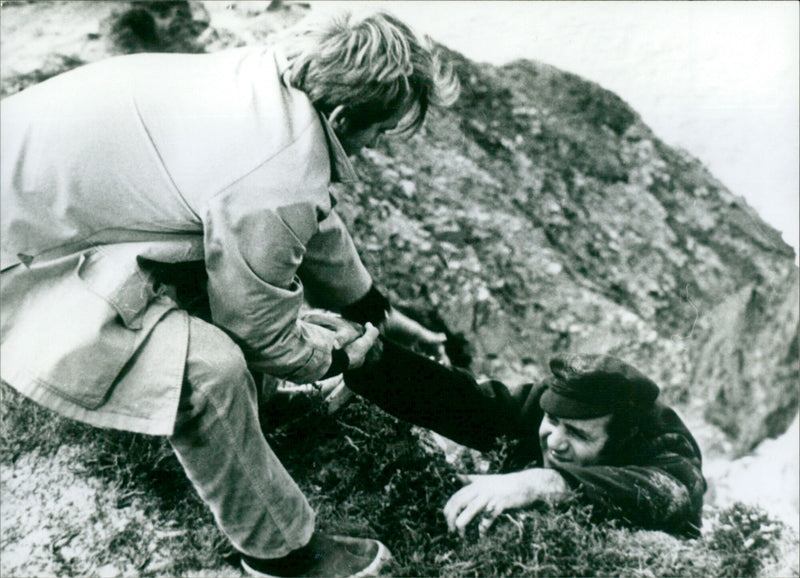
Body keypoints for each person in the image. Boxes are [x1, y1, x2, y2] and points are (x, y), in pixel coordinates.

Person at [1, 9, 458, 578]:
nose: (378, 144)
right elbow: (257, 327)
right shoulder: (273, 170)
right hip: (18, 258)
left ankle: (255, 415)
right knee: (208, 372)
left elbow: (303, 216)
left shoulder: (272, 79)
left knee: (233, 276)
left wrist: (373, 311)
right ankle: (282, 554)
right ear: (342, 115)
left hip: (40, 207)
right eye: (380, 130)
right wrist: (338, 356)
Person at [343, 340, 707, 539]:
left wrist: (545, 483)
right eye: (553, 421)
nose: (555, 441)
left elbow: (673, 490)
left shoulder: (662, 442)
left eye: (578, 434)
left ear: (621, 437)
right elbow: (465, 403)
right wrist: (372, 359)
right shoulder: (551, 404)